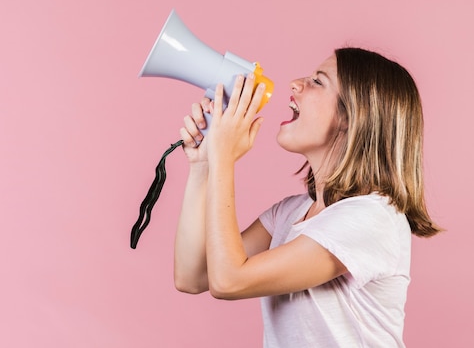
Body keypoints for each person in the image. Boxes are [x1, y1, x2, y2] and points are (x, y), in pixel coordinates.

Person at [174, 47, 441, 348]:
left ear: (351, 116)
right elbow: (193, 276)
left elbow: (229, 281)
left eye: (317, 81)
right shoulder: (289, 213)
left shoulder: (373, 218)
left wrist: (223, 157)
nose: (295, 84)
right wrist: (203, 166)